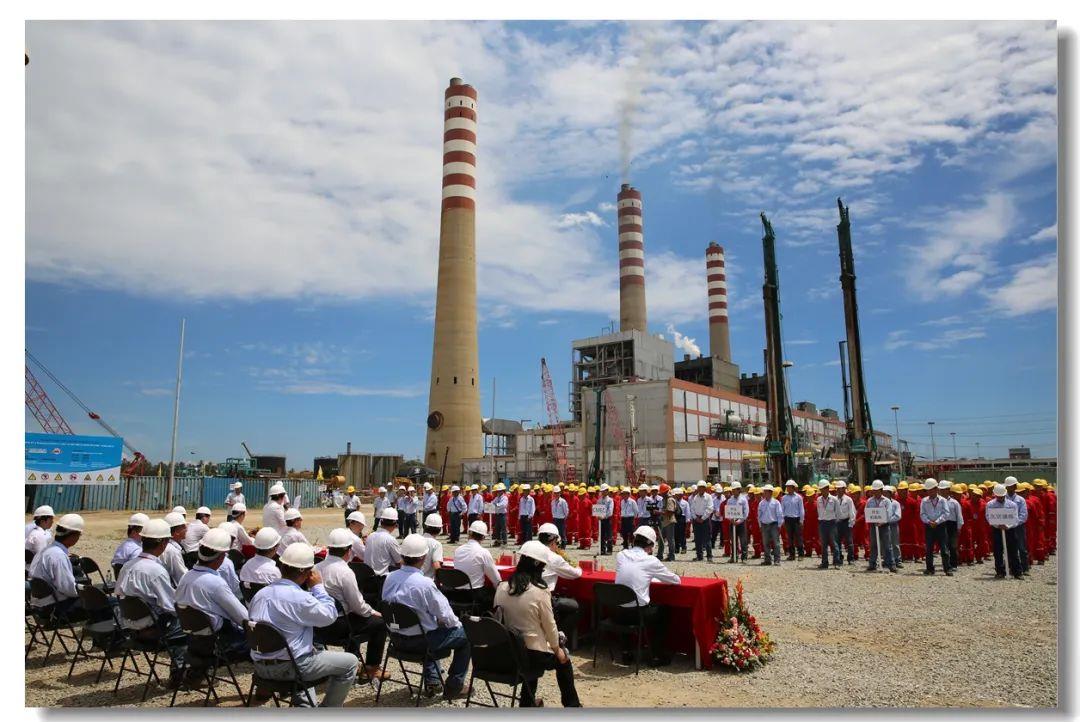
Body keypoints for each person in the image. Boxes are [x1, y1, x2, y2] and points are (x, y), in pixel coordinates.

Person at [249, 543, 358, 707]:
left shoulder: (260, 594)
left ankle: (305, 705)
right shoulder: (299, 598)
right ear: (307, 573)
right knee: (350, 663)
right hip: (291, 667)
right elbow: (330, 616)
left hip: (260, 666)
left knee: (306, 648)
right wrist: (318, 587)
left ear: (281, 566)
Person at [382, 534, 471, 699]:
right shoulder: (424, 584)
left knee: (429, 624)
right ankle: (455, 686)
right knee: (465, 636)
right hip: (421, 643)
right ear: (423, 557)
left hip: (396, 639)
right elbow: (446, 614)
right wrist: (457, 626)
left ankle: (433, 681)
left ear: (402, 555)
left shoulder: (389, 578)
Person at [494, 542, 582, 708]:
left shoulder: (502, 587)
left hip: (509, 651)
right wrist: (557, 649)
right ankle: (573, 706)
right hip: (532, 654)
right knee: (563, 660)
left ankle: (527, 702)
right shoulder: (540, 592)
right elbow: (550, 626)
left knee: (528, 650)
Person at [116, 518, 187, 683]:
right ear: (163, 543)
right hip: (152, 629)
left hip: (129, 626)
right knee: (189, 624)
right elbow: (171, 606)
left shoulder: (128, 566)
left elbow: (119, 594)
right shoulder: (155, 571)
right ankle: (180, 674)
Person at [313, 529, 389, 681]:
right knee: (379, 623)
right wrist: (372, 611)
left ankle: (353, 660)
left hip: (318, 626)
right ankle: (372, 668)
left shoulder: (317, 568)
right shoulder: (345, 572)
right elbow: (358, 606)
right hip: (338, 626)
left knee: (355, 617)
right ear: (348, 551)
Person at [175, 528, 250, 657]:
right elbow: (242, 618)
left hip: (192, 638)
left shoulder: (185, 577)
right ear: (222, 556)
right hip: (217, 640)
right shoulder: (216, 583)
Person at [614, 526, 680, 667]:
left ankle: (626, 651)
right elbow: (675, 580)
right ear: (650, 545)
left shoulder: (621, 555)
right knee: (663, 611)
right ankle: (656, 654)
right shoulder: (651, 561)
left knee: (627, 605)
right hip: (638, 614)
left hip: (618, 613)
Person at [28, 514, 95, 620]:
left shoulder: (45, 550)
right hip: (54, 608)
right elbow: (68, 589)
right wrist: (86, 593)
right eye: (79, 535)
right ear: (73, 535)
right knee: (105, 603)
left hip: (38, 605)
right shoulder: (58, 556)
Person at [536, 523, 582, 639]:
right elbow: (576, 573)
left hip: (528, 595)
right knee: (576, 607)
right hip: (545, 599)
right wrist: (576, 565)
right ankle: (559, 637)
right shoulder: (553, 557)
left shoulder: (530, 553)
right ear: (553, 541)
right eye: (557, 543)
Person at [452, 520, 501, 611]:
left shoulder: (458, 550)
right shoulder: (483, 552)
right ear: (483, 537)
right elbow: (496, 579)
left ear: (469, 533)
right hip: (475, 595)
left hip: (456, 594)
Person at [986, 483, 1023, 579]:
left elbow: (1016, 519)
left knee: (1013, 551)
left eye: (1002, 496)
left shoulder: (1012, 505)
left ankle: (1017, 572)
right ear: (995, 495)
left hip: (1010, 530)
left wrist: (1008, 526)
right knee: (997, 551)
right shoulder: (990, 504)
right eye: (998, 496)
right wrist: (998, 525)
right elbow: (988, 517)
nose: (1000, 498)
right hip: (997, 530)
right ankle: (1000, 572)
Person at [919, 478, 952, 575]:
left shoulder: (943, 500)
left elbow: (946, 513)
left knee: (944, 548)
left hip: (941, 526)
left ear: (936, 489)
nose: (929, 492)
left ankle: (947, 568)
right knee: (929, 549)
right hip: (929, 527)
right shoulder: (924, 501)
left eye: (931, 490)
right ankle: (929, 569)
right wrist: (929, 521)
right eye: (928, 490)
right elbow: (922, 514)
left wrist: (937, 522)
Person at [864, 480, 896, 572]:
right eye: (874, 490)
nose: (875, 492)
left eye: (877, 490)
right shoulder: (869, 501)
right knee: (873, 545)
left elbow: (889, 514)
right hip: (873, 526)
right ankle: (872, 564)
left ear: (881, 490)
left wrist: (882, 522)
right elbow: (867, 512)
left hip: (884, 526)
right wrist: (872, 521)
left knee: (887, 546)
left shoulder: (886, 501)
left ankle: (891, 564)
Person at [366, 508, 403, 577]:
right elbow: (399, 562)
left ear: (381, 522)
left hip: (367, 576)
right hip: (382, 578)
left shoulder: (370, 536)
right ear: (395, 524)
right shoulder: (390, 540)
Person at [1004, 477, 1029, 574]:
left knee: (1022, 548)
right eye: (1009, 486)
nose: (1012, 487)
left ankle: (1025, 568)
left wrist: (1014, 523)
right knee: (1009, 548)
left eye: (1013, 485)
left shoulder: (1020, 500)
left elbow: (1023, 515)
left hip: (1018, 526)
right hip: (1006, 527)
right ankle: (1012, 568)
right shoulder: (1003, 498)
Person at [816, 481, 841, 569]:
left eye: (823, 489)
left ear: (827, 488)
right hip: (822, 523)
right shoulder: (819, 499)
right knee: (823, 544)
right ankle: (824, 562)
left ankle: (836, 562)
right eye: (821, 489)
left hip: (832, 523)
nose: (821, 491)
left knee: (834, 543)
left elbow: (838, 513)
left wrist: (835, 522)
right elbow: (819, 511)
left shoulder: (834, 499)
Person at [756, 484, 783, 565]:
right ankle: (767, 560)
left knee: (776, 543)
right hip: (764, 524)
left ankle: (777, 560)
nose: (764, 493)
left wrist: (779, 525)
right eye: (764, 491)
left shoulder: (776, 502)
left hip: (774, 524)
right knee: (766, 543)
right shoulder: (761, 503)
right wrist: (760, 525)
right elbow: (759, 515)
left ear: (770, 492)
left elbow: (779, 514)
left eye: (765, 491)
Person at [941, 481, 964, 572]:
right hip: (942, 524)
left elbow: (959, 515)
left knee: (953, 546)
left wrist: (959, 527)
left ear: (948, 490)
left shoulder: (954, 503)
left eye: (945, 489)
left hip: (952, 525)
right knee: (944, 546)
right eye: (941, 489)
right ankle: (946, 564)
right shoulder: (938, 502)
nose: (943, 491)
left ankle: (954, 564)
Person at [161, 512, 189, 585]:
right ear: (177, 532)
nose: (186, 529)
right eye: (184, 527)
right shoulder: (172, 551)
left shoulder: (168, 546)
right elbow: (182, 576)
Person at [689, 481, 714, 562]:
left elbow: (710, 508)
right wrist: (695, 517)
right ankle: (699, 556)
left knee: (707, 538)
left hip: (705, 519)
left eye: (702, 487)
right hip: (696, 519)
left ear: (705, 488)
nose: (701, 489)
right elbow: (692, 508)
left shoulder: (708, 497)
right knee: (697, 538)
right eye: (699, 487)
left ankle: (709, 556)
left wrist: (703, 518)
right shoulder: (695, 497)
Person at [780, 480, 804, 560]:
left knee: (798, 537)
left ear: (793, 488)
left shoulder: (799, 497)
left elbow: (801, 509)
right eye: (787, 487)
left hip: (796, 519)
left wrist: (801, 520)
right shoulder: (784, 498)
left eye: (789, 487)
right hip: (787, 519)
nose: (788, 488)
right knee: (789, 538)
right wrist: (782, 520)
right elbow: (782, 510)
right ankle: (792, 555)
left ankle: (800, 554)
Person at [833, 481, 856, 565]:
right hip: (837, 522)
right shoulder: (834, 499)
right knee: (837, 541)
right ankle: (839, 558)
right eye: (838, 488)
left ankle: (851, 558)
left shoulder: (848, 499)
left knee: (849, 542)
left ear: (844, 489)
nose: (839, 490)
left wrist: (851, 523)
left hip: (846, 522)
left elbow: (852, 511)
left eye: (841, 488)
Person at [726, 482, 750, 562]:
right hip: (732, 523)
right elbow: (728, 512)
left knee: (743, 541)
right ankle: (734, 557)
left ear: (739, 490)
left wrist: (739, 521)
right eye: (732, 489)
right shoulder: (730, 500)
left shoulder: (743, 499)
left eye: (734, 489)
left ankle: (744, 557)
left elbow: (746, 512)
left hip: (741, 523)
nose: (733, 491)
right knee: (733, 541)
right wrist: (731, 520)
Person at [883, 485, 903, 569]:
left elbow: (898, 516)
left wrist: (886, 520)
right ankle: (886, 560)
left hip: (893, 525)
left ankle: (897, 560)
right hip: (883, 526)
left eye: (886, 493)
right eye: (883, 493)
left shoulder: (895, 503)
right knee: (885, 544)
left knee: (895, 543)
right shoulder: (881, 503)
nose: (884, 494)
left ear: (890, 493)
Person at [593, 484, 615, 555]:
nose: (602, 492)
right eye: (602, 491)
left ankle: (609, 550)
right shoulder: (599, 500)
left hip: (607, 519)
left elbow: (610, 511)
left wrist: (604, 516)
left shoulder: (610, 500)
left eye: (604, 491)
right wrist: (597, 515)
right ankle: (602, 549)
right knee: (601, 535)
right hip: (601, 520)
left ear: (607, 491)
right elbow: (597, 509)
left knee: (609, 535)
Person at [420, 514, 444, 578]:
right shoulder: (436, 544)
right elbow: (436, 565)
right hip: (427, 579)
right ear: (439, 529)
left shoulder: (417, 539)